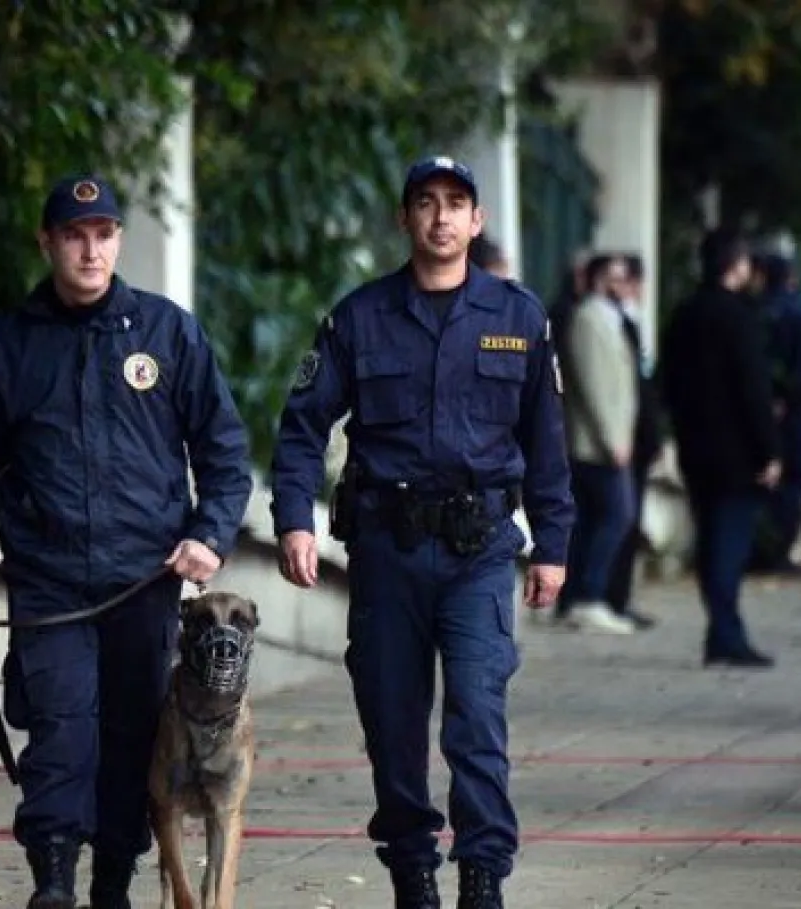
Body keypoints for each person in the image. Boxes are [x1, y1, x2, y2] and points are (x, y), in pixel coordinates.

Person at [0, 174, 254, 909]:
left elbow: (226, 452)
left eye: (103, 234)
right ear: (47, 242)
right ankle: (52, 881)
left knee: (134, 741)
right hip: (49, 586)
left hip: (145, 582)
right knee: (60, 733)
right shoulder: (6, 349)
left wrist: (209, 534)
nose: (90, 249)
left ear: (118, 242)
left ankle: (112, 882)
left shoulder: (169, 334)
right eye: (74, 235)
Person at [269, 155, 574, 909]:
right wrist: (293, 522)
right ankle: (412, 873)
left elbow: (548, 442)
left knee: (476, 714)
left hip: (480, 552)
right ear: (404, 219)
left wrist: (556, 546)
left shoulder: (519, 316)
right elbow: (302, 426)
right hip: (387, 551)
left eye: (456, 203)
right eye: (426, 203)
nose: (441, 217)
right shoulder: (358, 317)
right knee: (393, 721)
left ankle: (481, 877)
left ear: (477, 220)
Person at [658, 230, 782, 669]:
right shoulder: (740, 319)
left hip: (696, 448)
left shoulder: (684, 315)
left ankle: (721, 629)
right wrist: (769, 450)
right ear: (737, 266)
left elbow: (667, 381)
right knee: (729, 544)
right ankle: (726, 633)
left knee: (711, 541)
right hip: (737, 455)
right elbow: (753, 389)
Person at [554, 253, 639, 634]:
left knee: (593, 519)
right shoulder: (589, 319)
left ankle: (579, 598)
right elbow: (593, 386)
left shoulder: (611, 317)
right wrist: (612, 439)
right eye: (611, 276)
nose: (619, 283)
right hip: (597, 444)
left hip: (608, 440)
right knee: (616, 515)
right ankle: (589, 596)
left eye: (623, 276)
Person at [754, 252, 801, 576]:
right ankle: (779, 550)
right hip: (793, 411)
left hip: (758, 408)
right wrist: (789, 397)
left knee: (765, 480)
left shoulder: (755, 310)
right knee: (795, 477)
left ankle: (761, 548)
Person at [605, 252, 663, 628]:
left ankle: (620, 595)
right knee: (617, 517)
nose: (625, 288)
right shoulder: (607, 322)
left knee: (628, 518)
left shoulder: (632, 321)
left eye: (628, 280)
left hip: (639, 438)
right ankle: (610, 595)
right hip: (622, 440)